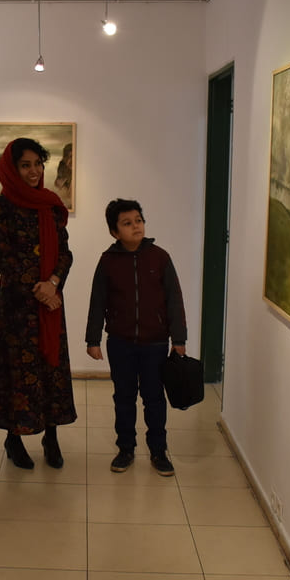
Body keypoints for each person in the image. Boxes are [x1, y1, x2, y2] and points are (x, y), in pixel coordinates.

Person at [0, 138, 77, 469]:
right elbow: (3, 258)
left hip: (49, 305)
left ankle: (51, 436)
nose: (34, 171)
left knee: (51, 369)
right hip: (18, 307)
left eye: (38, 164)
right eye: (25, 165)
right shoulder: (1, 206)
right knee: (18, 374)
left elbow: (65, 253)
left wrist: (53, 283)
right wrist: (41, 289)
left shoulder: (50, 204)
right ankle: (14, 438)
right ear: (12, 168)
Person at [84, 199, 187, 476]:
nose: (136, 227)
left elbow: (174, 300)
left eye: (138, 221)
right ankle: (126, 449)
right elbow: (97, 301)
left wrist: (179, 338)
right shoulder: (108, 261)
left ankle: (158, 451)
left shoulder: (160, 257)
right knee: (124, 397)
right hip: (120, 342)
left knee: (154, 398)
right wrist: (93, 340)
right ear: (114, 232)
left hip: (155, 343)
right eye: (127, 223)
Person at [53, 142, 73, 209]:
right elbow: (58, 183)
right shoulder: (62, 166)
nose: (70, 161)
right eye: (68, 157)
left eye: (72, 157)